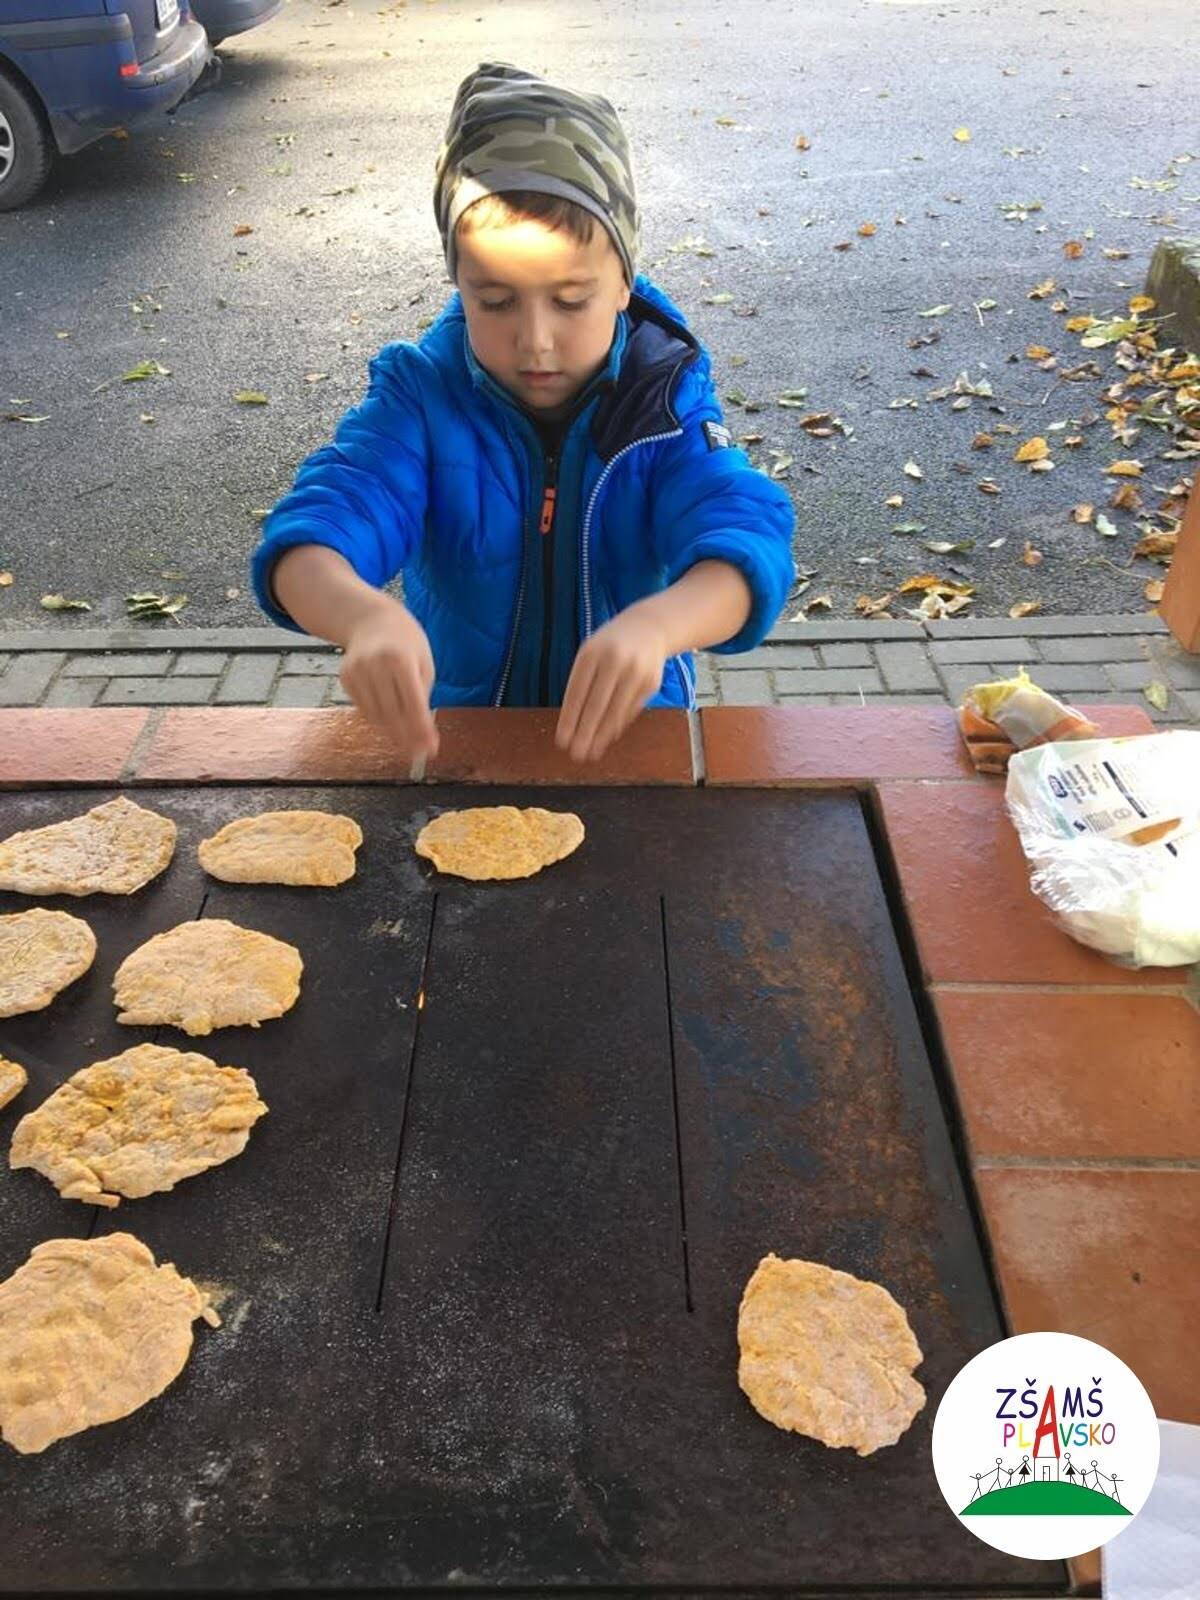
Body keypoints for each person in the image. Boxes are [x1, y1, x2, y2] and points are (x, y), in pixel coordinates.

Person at [251, 61, 796, 763]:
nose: (536, 341)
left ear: (624, 282)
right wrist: (362, 617)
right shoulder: (420, 397)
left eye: (570, 301)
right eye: (496, 301)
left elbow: (747, 534)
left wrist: (661, 625)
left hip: (631, 743)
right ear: (459, 282)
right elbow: (317, 526)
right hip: (460, 743)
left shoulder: (665, 403)